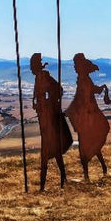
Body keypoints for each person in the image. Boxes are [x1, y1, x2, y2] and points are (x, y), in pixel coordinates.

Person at [65, 53, 111, 180]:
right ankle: (101, 168)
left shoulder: (83, 80)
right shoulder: (84, 79)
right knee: (88, 143)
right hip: (89, 114)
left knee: (84, 144)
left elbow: (82, 97)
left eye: (75, 65)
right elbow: (92, 92)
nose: (74, 68)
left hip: (86, 116)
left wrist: (70, 110)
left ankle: (89, 173)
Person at [31, 52, 73, 190]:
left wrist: (47, 103)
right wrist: (38, 105)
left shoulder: (44, 77)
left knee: (48, 153)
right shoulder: (38, 78)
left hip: (50, 121)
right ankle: (61, 180)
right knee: (52, 153)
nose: (31, 68)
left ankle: (45, 186)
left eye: (32, 65)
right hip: (44, 121)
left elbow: (58, 90)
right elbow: (38, 98)